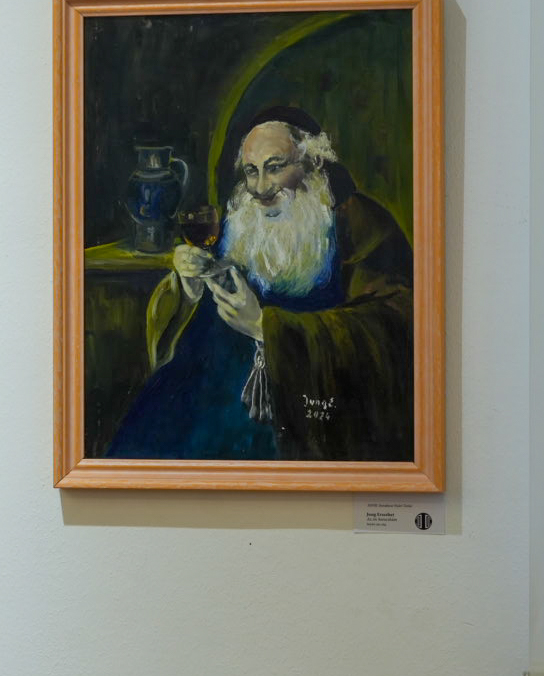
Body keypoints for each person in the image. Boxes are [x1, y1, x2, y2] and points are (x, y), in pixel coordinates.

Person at [105, 107, 414, 461]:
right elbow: (200, 318)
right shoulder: (242, 219)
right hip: (204, 400)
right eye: (251, 171)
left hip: (295, 412)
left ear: (313, 163)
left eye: (275, 167)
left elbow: (391, 329)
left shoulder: (361, 224)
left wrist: (266, 327)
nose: (260, 188)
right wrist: (189, 287)